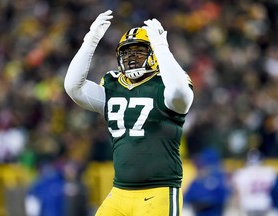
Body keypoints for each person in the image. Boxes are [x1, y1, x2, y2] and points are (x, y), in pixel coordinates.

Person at [64, 10, 194, 216]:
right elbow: (74, 88)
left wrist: (161, 46)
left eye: (139, 53)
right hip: (119, 192)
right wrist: (91, 40)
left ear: (153, 55)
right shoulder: (113, 84)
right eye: (127, 53)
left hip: (158, 191)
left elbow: (180, 92)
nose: (132, 59)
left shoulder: (167, 84)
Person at [184, 149, 230, 216]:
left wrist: (206, 202)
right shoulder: (196, 181)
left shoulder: (219, 179)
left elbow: (223, 198)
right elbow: (187, 199)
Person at [231, 149, 276, 216]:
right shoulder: (269, 172)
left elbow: (237, 195)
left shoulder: (241, 173)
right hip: (265, 206)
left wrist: (236, 209)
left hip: (248, 207)